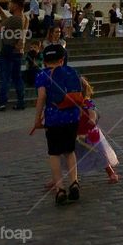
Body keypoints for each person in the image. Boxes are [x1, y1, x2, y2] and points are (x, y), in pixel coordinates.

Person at [32, 43, 82, 206]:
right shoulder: (72, 72)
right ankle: (74, 182)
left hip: (54, 119)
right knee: (70, 151)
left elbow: (41, 98)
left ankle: (60, 188)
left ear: (45, 61)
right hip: (72, 117)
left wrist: (37, 118)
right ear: (62, 60)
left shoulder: (42, 75)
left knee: (54, 153)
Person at [75, 77, 120, 184]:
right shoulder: (70, 103)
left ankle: (111, 173)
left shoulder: (87, 101)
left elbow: (92, 111)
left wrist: (92, 118)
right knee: (72, 156)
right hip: (76, 133)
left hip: (90, 133)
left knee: (100, 153)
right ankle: (66, 178)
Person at [0, 0, 28, 111]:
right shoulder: (24, 18)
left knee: (5, 78)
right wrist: (0, 11)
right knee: (17, 78)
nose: (9, 6)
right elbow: (7, 21)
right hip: (18, 52)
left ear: (16, 6)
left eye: (10, 5)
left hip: (8, 51)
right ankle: (21, 102)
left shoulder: (15, 19)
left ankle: (2, 103)